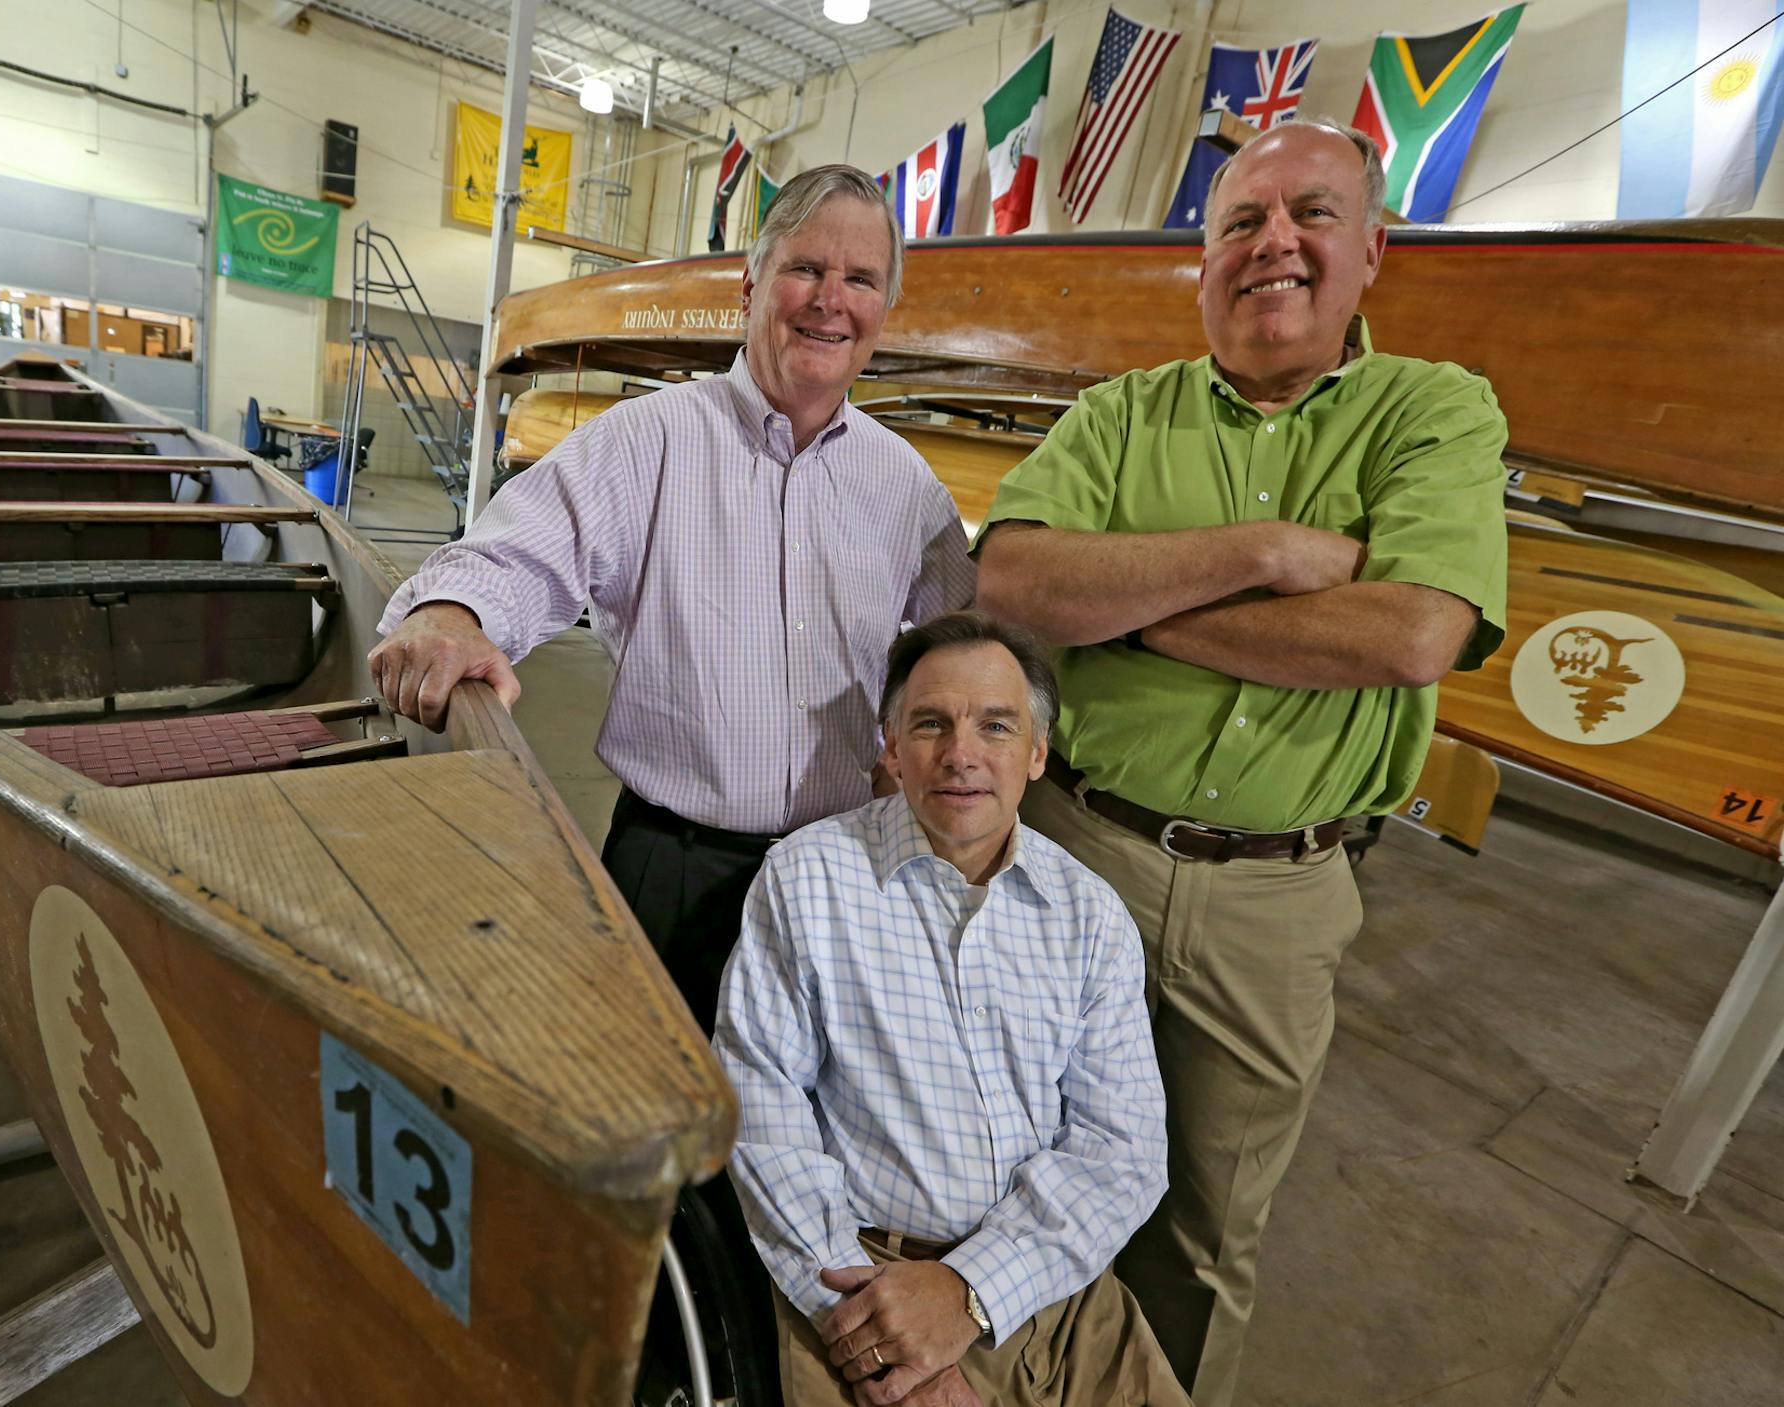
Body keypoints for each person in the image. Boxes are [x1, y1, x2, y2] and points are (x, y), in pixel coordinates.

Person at [973, 118, 1509, 1407]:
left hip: (1279, 897)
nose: (1275, 244)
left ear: (1372, 248)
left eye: (1312, 213)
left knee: (1204, 1233)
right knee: (998, 1155)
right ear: (1203, 259)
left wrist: (1135, 611)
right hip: (1074, 852)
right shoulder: (1119, 414)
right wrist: (1266, 554)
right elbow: (1015, 582)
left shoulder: (1435, 410)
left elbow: (1411, 634)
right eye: (1242, 223)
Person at [370, 164, 975, 1030]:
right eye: (806, 268)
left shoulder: (909, 489)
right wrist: (450, 616)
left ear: (884, 308)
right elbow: (512, 557)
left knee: (823, 1103)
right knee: (652, 1095)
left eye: (861, 279)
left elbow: (962, 652)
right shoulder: (643, 444)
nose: (830, 300)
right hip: (675, 868)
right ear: (751, 287)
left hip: (845, 869)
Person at [716, 612, 1187, 1407]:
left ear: (1037, 752)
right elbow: (760, 1117)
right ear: (891, 748)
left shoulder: (1090, 914)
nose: (961, 753)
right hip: (864, 1278)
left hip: (1054, 1283)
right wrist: (881, 1344)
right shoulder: (807, 879)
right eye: (930, 723)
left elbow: (1124, 1149)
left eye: (996, 725)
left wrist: (971, 1291)